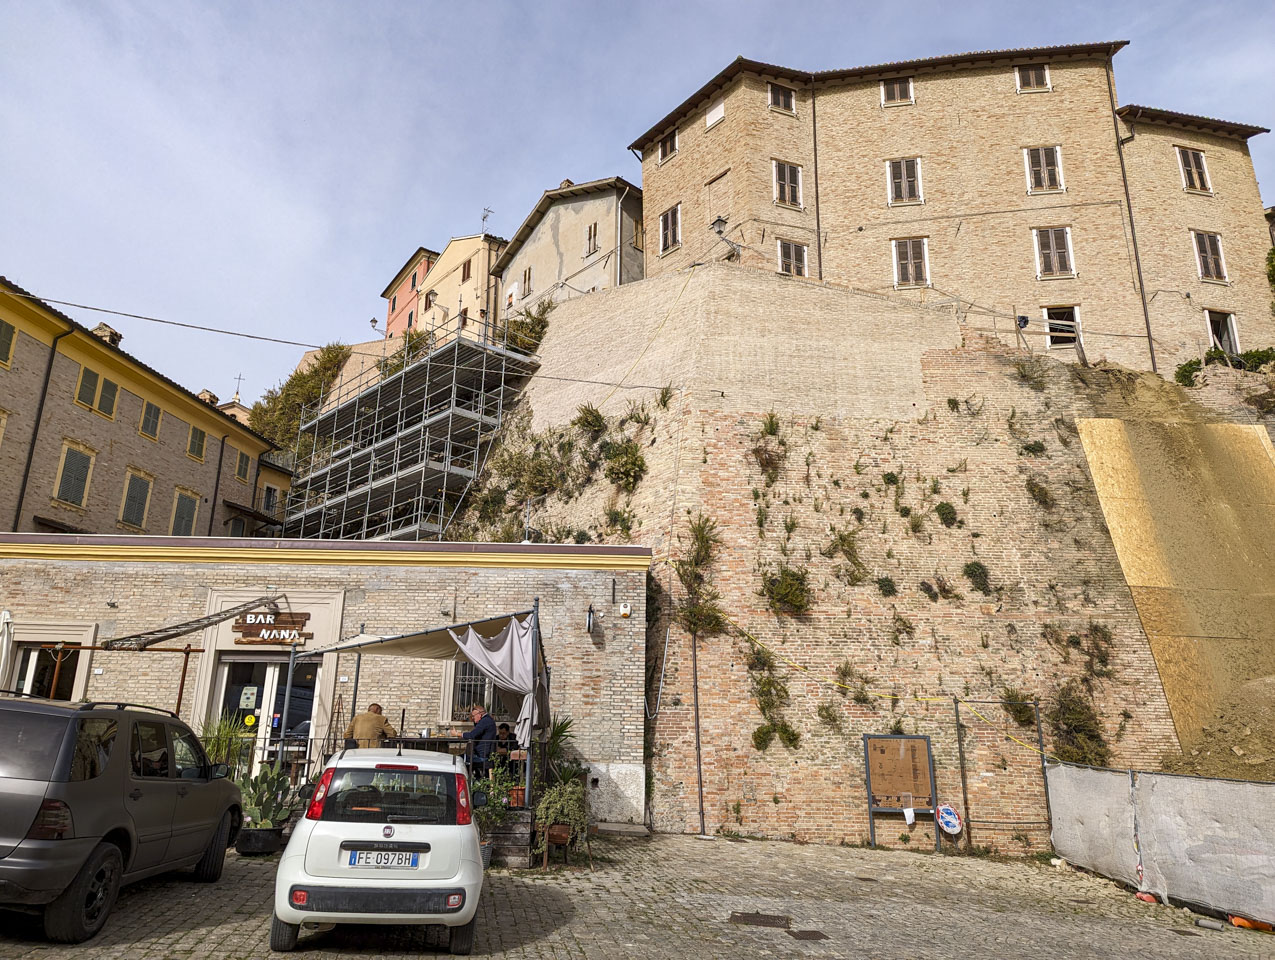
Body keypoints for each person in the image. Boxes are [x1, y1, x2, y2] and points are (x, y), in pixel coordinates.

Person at [451, 703, 496, 772]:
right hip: (482, 754)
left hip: (482, 756)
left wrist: (457, 734)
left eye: (473, 716)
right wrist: (474, 721)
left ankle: (463, 780)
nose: (472, 718)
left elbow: (472, 735)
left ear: (479, 714)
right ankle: (473, 778)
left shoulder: (485, 721)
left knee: (456, 759)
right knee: (459, 759)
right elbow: (477, 731)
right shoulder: (487, 720)